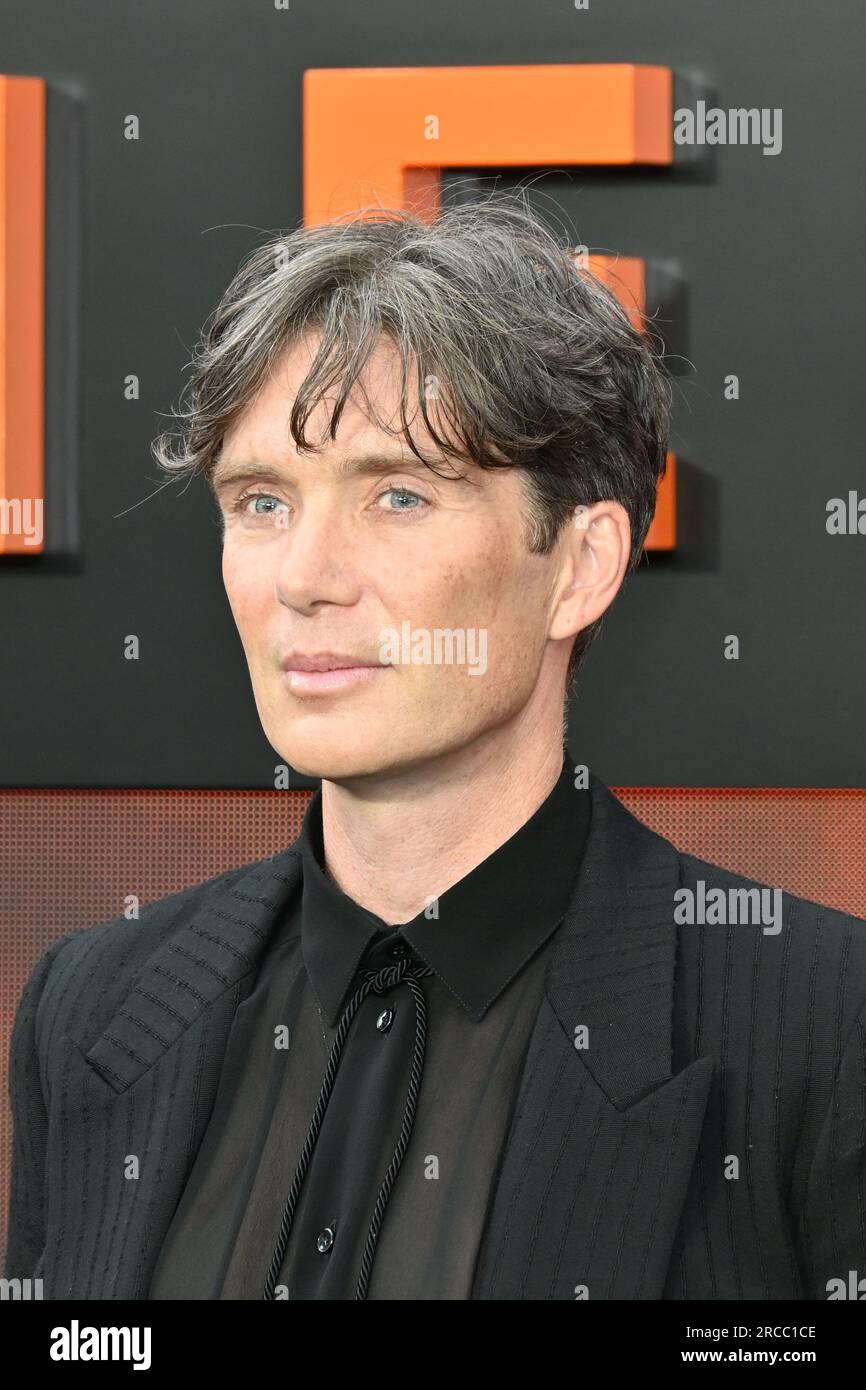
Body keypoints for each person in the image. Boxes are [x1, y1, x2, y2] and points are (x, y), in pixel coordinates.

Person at [5, 195, 865, 1300]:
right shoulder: (92, 1004)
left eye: (397, 495)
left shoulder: (819, 1026)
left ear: (579, 564)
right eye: (261, 501)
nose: (305, 577)